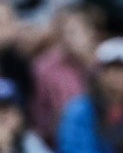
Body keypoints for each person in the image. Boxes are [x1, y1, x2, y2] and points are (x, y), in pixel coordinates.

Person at [30, 8, 97, 143]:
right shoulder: (44, 68)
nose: (67, 38)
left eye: (73, 32)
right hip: (57, 139)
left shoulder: (104, 63)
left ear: (90, 33)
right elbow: (38, 112)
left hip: (98, 137)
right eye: (63, 33)